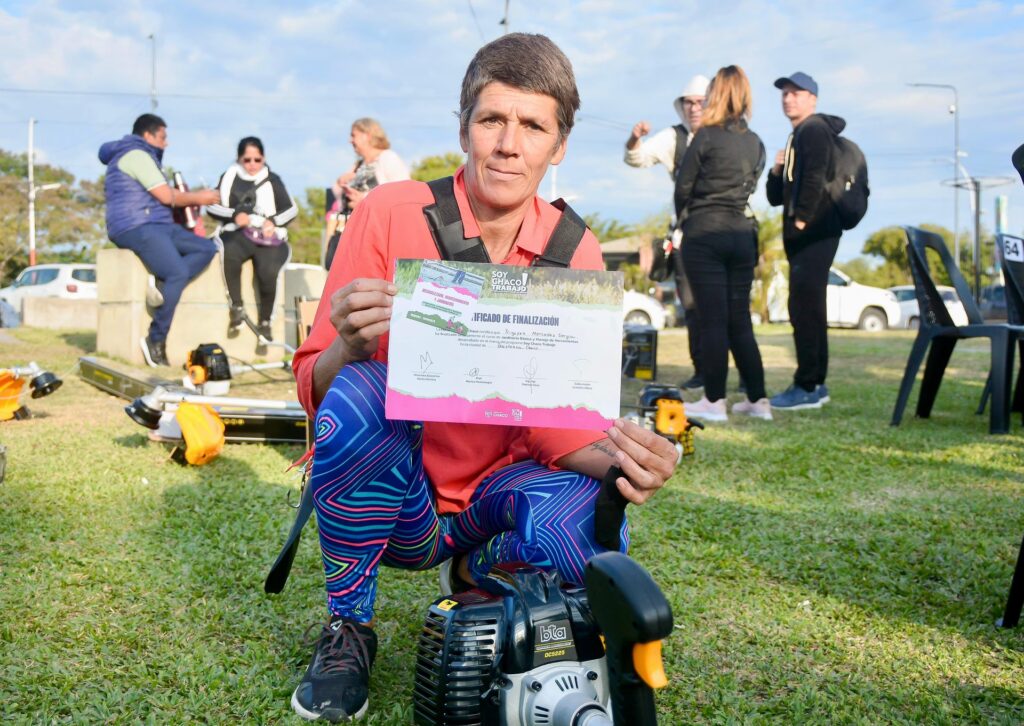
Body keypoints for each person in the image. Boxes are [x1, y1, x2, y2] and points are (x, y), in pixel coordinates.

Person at [289, 33, 678, 722]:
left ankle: (480, 580)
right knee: (357, 395)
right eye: (492, 119)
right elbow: (315, 390)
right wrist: (348, 345)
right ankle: (350, 623)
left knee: (585, 505)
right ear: (464, 127)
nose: (508, 143)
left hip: (493, 501)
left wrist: (630, 458)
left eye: (533, 126)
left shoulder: (574, 249)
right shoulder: (389, 210)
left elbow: (562, 432)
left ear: (558, 147)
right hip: (398, 498)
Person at [674, 66, 769, 422]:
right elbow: (752, 183)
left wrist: (684, 219)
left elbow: (683, 187)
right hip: (742, 234)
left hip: (705, 233)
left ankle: (714, 401)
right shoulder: (755, 141)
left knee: (712, 319)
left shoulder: (705, 136)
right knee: (739, 320)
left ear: (718, 94)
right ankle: (758, 401)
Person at [98, 114, 219, 367]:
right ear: (148, 135)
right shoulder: (136, 155)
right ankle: (155, 339)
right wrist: (202, 198)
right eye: (163, 137)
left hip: (158, 224)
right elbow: (165, 196)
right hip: (135, 225)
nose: (167, 143)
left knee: (207, 247)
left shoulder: (145, 155)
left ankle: (163, 290)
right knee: (176, 272)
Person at [766, 72, 846, 410]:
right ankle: (816, 384)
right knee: (809, 309)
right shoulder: (798, 135)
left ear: (812, 98)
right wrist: (776, 170)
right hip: (810, 236)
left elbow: (815, 176)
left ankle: (808, 386)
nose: (788, 98)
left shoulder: (813, 129)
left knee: (806, 310)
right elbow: (774, 198)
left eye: (796, 93)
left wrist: (800, 221)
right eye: (785, 93)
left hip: (814, 234)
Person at [625, 74, 710, 390]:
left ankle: (740, 375)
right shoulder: (674, 138)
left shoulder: (725, 135)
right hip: (687, 235)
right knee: (691, 306)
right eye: (688, 102)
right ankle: (701, 370)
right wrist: (635, 139)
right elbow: (637, 158)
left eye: (700, 102)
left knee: (728, 308)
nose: (693, 108)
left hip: (722, 233)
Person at [208, 137, 298, 340]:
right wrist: (234, 215)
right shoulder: (228, 178)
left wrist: (272, 221)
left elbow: (291, 209)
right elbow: (211, 205)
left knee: (267, 271)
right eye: (247, 160)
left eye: (257, 160)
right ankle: (237, 307)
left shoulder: (273, 180)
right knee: (229, 252)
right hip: (238, 233)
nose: (252, 165)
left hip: (267, 238)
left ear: (263, 158)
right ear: (239, 159)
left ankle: (265, 322)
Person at [323, 118, 410, 270]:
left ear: (367, 135)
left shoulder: (388, 158)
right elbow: (339, 201)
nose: (350, 140)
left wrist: (363, 201)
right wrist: (340, 182)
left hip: (377, 236)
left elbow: (404, 195)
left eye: (353, 135)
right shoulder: (358, 165)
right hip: (353, 236)